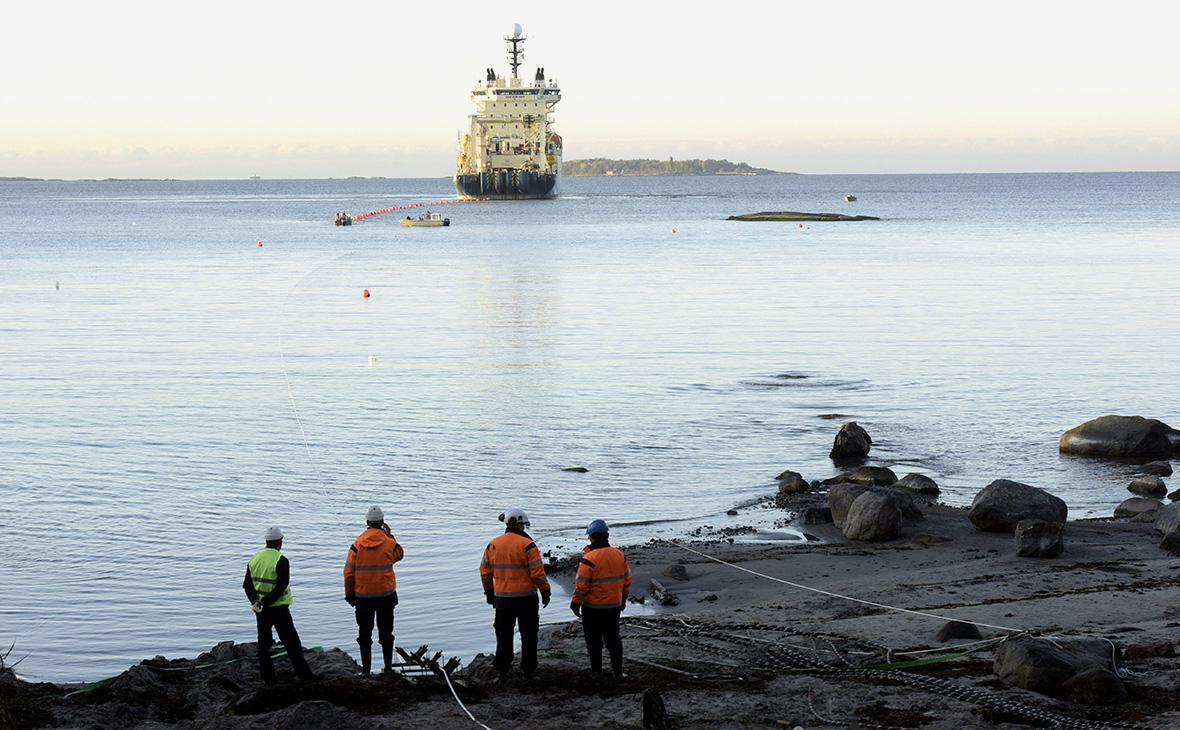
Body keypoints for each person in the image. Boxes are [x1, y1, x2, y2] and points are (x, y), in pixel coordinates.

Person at [480, 508, 551, 681]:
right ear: (519, 524)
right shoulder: (528, 545)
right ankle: (528, 671)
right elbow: (537, 574)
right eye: (523, 524)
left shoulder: (493, 545)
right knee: (529, 636)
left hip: (503, 600)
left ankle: (503, 671)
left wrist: (489, 593)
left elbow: (484, 572)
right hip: (526, 600)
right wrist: (545, 591)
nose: (524, 528)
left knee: (503, 636)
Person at [242, 526, 318, 684]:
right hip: (279, 609)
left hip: (261, 610)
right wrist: (265, 602)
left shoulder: (254, 558)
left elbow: (247, 585)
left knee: (263, 645)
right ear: (280, 541)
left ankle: (268, 679)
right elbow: (281, 586)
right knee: (292, 644)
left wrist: (256, 601)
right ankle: (306, 677)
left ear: (266, 541)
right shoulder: (281, 560)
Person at [343, 505, 404, 676]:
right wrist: (390, 535)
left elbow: (348, 573)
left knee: (364, 634)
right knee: (386, 633)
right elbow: (399, 554)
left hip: (363, 598)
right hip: (386, 596)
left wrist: (349, 595)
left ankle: (366, 671)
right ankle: (388, 668)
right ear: (382, 522)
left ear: (367, 522)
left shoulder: (357, 544)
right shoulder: (389, 542)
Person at [570, 519, 632, 677]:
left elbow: (581, 587)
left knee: (594, 642)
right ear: (607, 535)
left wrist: (575, 604)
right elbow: (627, 581)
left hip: (593, 608)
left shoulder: (589, 559)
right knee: (613, 640)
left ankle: (596, 672)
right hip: (613, 607)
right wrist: (622, 600)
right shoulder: (620, 555)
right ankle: (618, 672)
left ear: (591, 537)